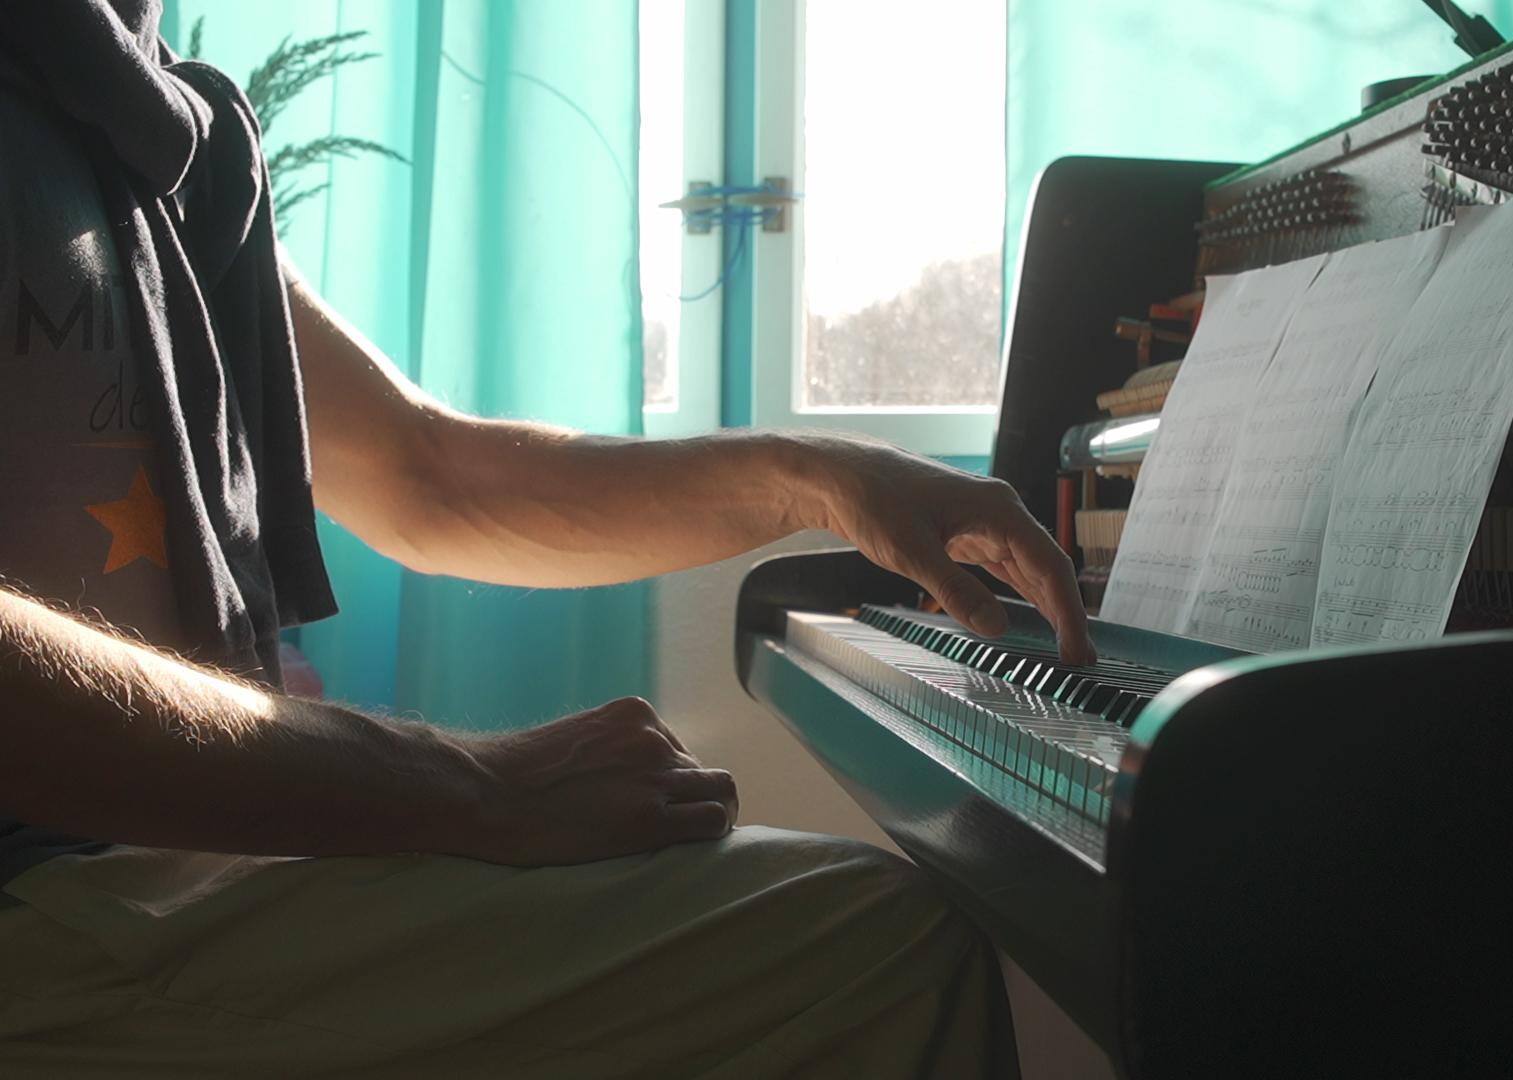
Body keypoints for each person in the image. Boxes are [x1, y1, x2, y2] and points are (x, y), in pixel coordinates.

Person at [0, 2, 1093, 1075]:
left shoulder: (171, 132)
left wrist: (822, 479)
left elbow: (431, 477)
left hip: (174, 870)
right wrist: (471, 784)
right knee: (880, 955)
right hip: (46, 900)